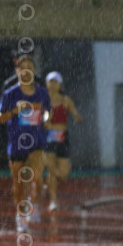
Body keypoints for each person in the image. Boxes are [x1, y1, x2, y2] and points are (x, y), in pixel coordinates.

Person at [0, 54, 50, 232]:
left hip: (37, 142)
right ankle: (21, 215)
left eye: (29, 67)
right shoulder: (10, 94)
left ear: (34, 71)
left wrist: (46, 118)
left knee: (37, 179)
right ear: (17, 71)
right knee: (18, 185)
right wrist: (15, 111)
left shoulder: (42, 92)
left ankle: (33, 204)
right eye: (22, 67)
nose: (26, 71)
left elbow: (48, 111)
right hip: (17, 144)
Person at [44, 71, 82, 212]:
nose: (53, 85)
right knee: (51, 170)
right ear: (46, 84)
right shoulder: (43, 100)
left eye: (56, 82)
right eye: (51, 82)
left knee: (63, 172)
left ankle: (50, 180)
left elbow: (75, 114)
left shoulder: (65, 100)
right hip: (48, 138)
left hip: (62, 137)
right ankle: (53, 201)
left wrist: (77, 117)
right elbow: (42, 119)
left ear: (60, 85)